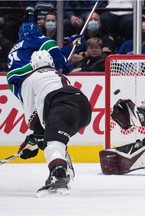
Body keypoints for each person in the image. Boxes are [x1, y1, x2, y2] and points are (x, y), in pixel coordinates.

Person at [14, 50, 91, 196]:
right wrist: (40, 137)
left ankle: (58, 176)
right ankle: (62, 165)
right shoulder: (59, 75)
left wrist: (35, 137)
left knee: (52, 145)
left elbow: (31, 116)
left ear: (32, 65)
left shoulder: (30, 79)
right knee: (55, 140)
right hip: (84, 109)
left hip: (62, 107)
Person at [6, 21, 84, 101]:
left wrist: (69, 46)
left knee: (34, 110)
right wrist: (62, 64)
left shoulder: (16, 47)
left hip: (14, 81)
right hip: (31, 74)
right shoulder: (33, 37)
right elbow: (50, 46)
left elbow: (52, 54)